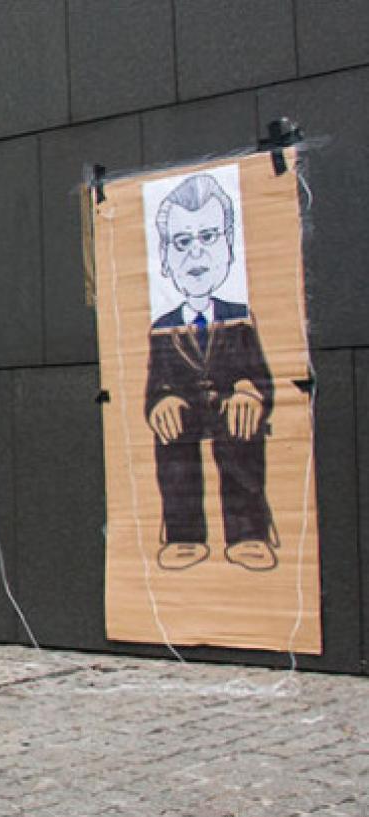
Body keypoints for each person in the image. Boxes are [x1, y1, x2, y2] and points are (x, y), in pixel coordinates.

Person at [145, 172, 276, 572]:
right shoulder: (163, 326)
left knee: (239, 428)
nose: (196, 255)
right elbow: (156, 382)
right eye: (182, 242)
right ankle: (184, 535)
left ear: (228, 245)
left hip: (228, 410)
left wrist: (251, 391)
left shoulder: (238, 319)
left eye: (208, 237)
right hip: (187, 414)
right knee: (170, 429)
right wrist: (161, 400)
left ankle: (248, 533)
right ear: (165, 256)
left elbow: (259, 372)